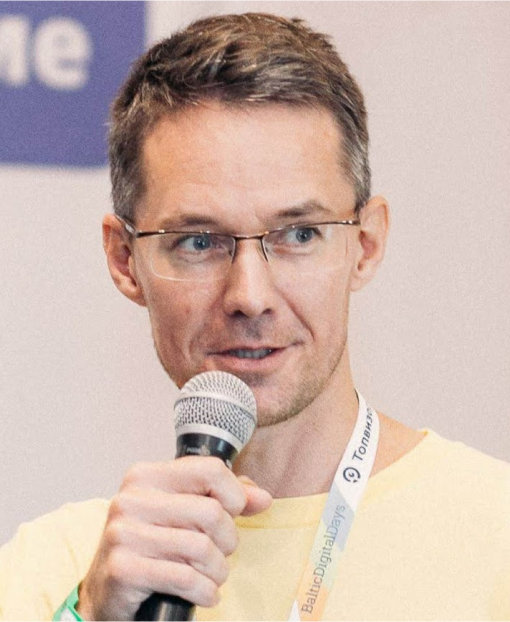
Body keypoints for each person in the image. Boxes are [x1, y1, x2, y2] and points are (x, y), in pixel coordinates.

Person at [1, 12, 509, 622]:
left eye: (299, 234)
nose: (249, 295)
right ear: (124, 260)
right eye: (198, 241)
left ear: (366, 244)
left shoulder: (496, 534)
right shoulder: (57, 568)